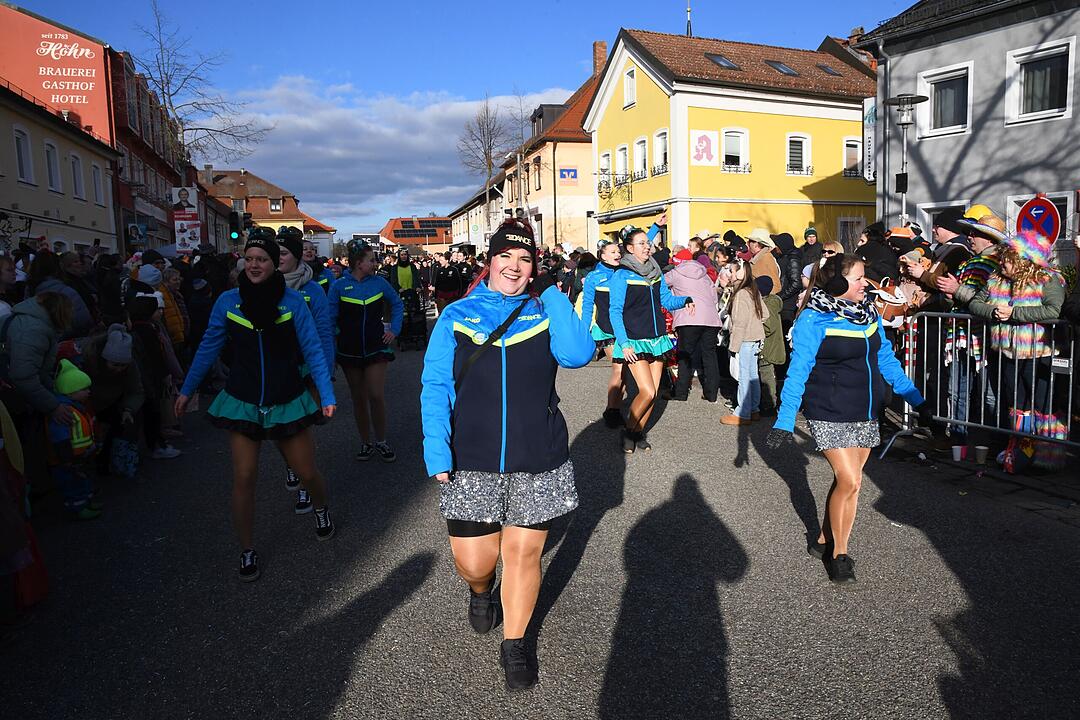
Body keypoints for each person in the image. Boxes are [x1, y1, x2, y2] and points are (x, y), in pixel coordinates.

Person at [420, 218, 594, 691]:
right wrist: (436, 448)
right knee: (476, 563)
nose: (515, 266)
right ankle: (480, 593)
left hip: (537, 453)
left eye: (525, 259)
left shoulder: (544, 310)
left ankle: (515, 642)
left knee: (523, 553)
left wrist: (554, 293)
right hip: (469, 458)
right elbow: (435, 384)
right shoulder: (456, 315)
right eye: (506, 257)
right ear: (490, 261)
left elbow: (579, 354)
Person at [174, 228, 337, 582]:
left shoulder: (293, 302)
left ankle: (321, 508)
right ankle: (246, 549)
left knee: (307, 472)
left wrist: (326, 394)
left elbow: (313, 349)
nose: (254, 265)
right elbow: (208, 346)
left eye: (261, 259)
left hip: (287, 397)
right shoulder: (227, 302)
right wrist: (186, 390)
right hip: (243, 399)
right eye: (248, 259)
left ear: (273, 265)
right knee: (244, 477)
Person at [767, 254, 924, 584]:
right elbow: (797, 372)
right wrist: (784, 419)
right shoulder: (814, 319)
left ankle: (824, 538)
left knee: (846, 483)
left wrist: (915, 397)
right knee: (851, 481)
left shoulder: (869, 314)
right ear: (837, 283)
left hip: (865, 410)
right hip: (828, 410)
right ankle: (839, 554)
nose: (865, 283)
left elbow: (887, 361)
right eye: (858, 278)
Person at [967, 231, 1066, 472]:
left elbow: (1054, 310)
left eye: (1008, 258)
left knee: (1044, 406)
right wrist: (992, 312)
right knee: (1017, 404)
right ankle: (1020, 453)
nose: (1002, 262)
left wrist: (1014, 314)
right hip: (1007, 353)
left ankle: (1048, 457)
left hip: (1039, 353)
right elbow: (975, 303)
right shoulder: (996, 279)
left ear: (1024, 259)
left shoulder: (1047, 279)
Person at [608, 226, 693, 453]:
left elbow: (665, 300)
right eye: (641, 243)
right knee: (646, 391)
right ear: (629, 248)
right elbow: (614, 311)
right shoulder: (621, 275)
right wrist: (624, 344)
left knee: (653, 394)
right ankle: (629, 431)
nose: (647, 246)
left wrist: (685, 300)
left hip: (657, 339)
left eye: (648, 242)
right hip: (634, 340)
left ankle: (636, 432)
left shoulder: (655, 272)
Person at [328, 241, 403, 462]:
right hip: (349, 351)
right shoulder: (339, 286)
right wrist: (333, 346)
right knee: (358, 398)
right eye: (371, 260)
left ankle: (381, 441)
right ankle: (365, 442)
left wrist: (394, 330)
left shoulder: (380, 283)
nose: (375, 263)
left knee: (376, 395)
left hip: (376, 347)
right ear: (359, 263)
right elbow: (329, 319)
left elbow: (397, 304)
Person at [278, 227, 334, 512]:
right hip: (277, 372)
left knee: (302, 431)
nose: (277, 258)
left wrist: (325, 371)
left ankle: (305, 486)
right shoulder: (264, 287)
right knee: (282, 432)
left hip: (306, 368)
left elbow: (324, 332)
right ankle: (292, 466)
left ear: (297, 257)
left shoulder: (313, 289)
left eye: (283, 253)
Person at [665, 244, 722, 402]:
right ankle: (711, 394)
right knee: (709, 355)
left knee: (685, 355)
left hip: (688, 317)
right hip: (711, 319)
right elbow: (714, 298)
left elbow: (659, 285)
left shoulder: (675, 273)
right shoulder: (704, 274)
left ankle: (681, 393)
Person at [579, 240, 625, 427]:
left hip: (626, 329)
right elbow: (587, 306)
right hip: (606, 329)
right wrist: (583, 331)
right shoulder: (594, 277)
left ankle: (616, 407)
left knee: (627, 373)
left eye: (618, 251)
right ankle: (612, 411)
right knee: (619, 368)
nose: (617, 254)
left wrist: (656, 227)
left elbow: (639, 245)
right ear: (603, 255)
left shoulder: (624, 273)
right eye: (612, 251)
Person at [47, 360, 100, 520]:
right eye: (84, 389)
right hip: (68, 459)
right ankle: (78, 508)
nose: (88, 391)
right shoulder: (64, 412)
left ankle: (87, 502)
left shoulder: (77, 407)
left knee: (83, 481)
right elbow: (60, 436)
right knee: (73, 484)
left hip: (80, 456)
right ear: (70, 392)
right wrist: (66, 458)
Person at [722, 270, 770, 424]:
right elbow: (765, 314)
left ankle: (742, 412)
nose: (729, 274)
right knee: (752, 374)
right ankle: (754, 409)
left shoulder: (741, 293)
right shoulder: (752, 290)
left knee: (744, 376)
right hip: (755, 337)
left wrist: (733, 347)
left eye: (732, 271)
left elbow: (740, 324)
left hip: (744, 339)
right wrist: (754, 322)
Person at [745, 228, 781, 297]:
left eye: (751, 241)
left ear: (758, 244)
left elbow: (776, 286)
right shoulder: (757, 257)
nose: (748, 243)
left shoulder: (765, 259)